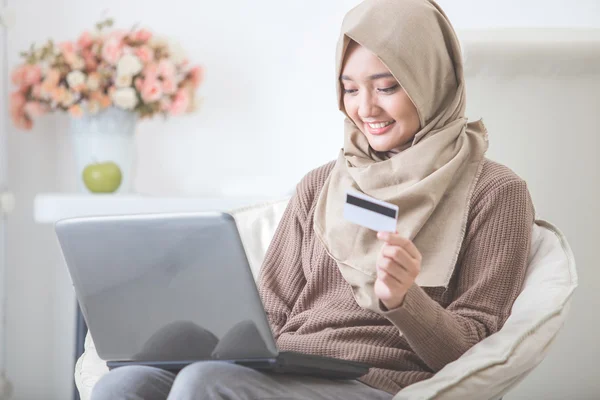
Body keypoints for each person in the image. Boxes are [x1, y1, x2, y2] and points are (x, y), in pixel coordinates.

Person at [91, 0, 535, 398]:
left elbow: (479, 353)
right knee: (124, 383)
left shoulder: (494, 193)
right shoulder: (320, 185)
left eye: (386, 87)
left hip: (376, 381)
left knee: (205, 383)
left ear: (432, 79)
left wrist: (404, 299)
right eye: (350, 87)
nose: (365, 108)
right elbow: (271, 312)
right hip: (287, 369)